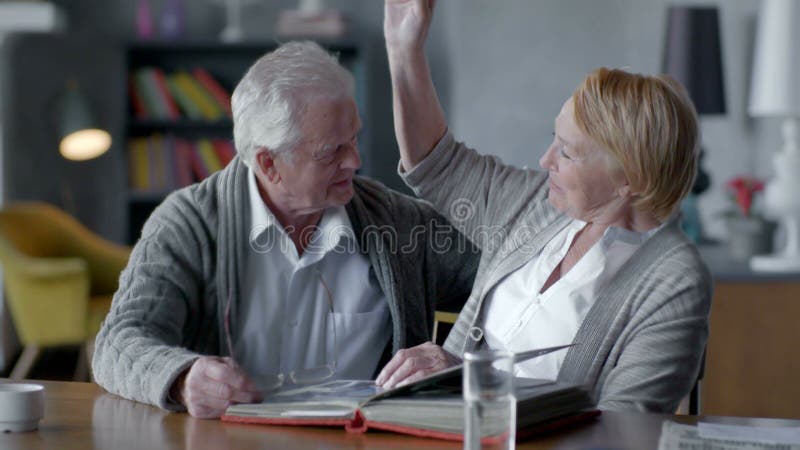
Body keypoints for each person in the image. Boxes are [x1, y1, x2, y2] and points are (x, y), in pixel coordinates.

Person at [92, 41, 478, 419]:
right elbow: (117, 343)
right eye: (331, 152)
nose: (355, 161)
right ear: (268, 163)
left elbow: (510, 280)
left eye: (354, 138)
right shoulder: (188, 224)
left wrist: (457, 356)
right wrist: (182, 379)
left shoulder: (397, 223)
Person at [376, 0, 712, 413]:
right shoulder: (537, 202)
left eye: (567, 153)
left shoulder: (673, 281)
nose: (545, 160)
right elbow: (436, 166)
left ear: (630, 179)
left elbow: (623, 427)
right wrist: (403, 47)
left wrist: (468, 379)